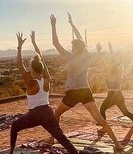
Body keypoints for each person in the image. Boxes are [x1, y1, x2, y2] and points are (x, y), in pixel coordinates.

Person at [48, 13, 124, 151]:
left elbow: (55, 43)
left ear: (76, 48)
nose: (71, 48)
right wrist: (71, 24)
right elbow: (80, 39)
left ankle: (52, 138)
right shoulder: (86, 55)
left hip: (73, 93)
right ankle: (117, 144)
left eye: (73, 47)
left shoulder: (70, 57)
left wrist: (53, 25)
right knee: (100, 119)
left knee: (57, 114)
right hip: (85, 91)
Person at [10, 32, 78, 154]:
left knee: (14, 127)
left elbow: (20, 65)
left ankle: (11, 152)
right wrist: (35, 44)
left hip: (34, 115)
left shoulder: (31, 82)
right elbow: (43, 64)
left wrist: (19, 47)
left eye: (30, 68)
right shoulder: (47, 79)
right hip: (47, 112)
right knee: (62, 138)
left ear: (32, 69)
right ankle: (75, 153)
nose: (29, 70)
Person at [97, 42, 133, 135]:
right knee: (125, 112)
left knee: (102, 109)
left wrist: (109, 51)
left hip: (113, 95)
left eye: (112, 63)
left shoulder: (118, 73)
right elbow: (107, 61)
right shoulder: (110, 72)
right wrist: (101, 51)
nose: (110, 64)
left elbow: (113, 61)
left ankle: (104, 128)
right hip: (116, 95)